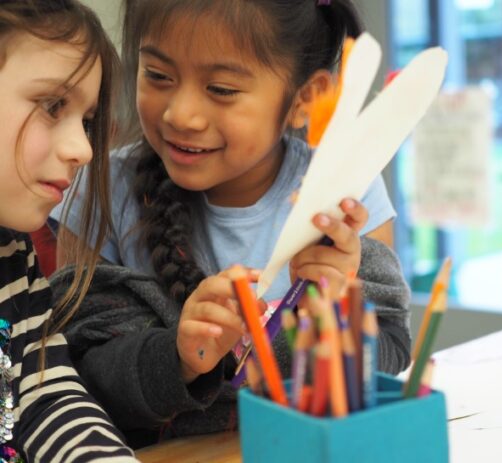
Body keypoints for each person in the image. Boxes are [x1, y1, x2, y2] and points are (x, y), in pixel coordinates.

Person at [51, 0, 411, 448]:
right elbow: (73, 380)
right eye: (158, 75)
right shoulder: (101, 188)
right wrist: (178, 358)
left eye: (220, 89)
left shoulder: (348, 190)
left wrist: (338, 314)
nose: (180, 115)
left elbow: (389, 360)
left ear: (305, 98)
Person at [0, 1, 139, 461]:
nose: (83, 148)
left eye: (86, 121)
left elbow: (42, 398)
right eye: (52, 105)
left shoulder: (12, 252)